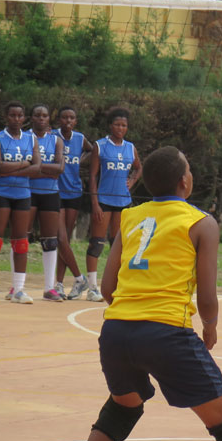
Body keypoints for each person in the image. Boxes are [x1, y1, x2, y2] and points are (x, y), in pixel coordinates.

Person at [76, 146, 222, 441]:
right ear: (184, 182)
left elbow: (108, 288)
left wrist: (132, 313)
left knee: (123, 407)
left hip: (116, 331)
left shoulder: (131, 216)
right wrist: (210, 326)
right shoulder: (201, 223)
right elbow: (206, 295)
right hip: (167, 333)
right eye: (187, 170)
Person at [84, 107, 142, 302]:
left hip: (123, 202)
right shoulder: (100, 146)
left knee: (117, 245)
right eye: (117, 124)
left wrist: (132, 180)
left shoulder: (130, 147)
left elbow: (139, 167)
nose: (120, 128)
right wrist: (95, 203)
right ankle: (92, 287)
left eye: (124, 125)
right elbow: (92, 175)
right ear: (110, 125)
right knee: (96, 244)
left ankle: (117, 286)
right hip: (104, 200)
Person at [0, 102, 40, 304]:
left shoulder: (31, 138)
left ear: (24, 118)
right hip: (2, 193)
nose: (17, 119)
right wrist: (23, 165)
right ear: (6, 117)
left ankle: (18, 290)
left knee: (21, 241)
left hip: (23, 193)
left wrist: (11, 169)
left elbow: (37, 168)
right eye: (13, 115)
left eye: (20, 115)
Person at [26, 104, 66, 302]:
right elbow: (27, 168)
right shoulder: (25, 138)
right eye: (37, 115)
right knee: (22, 237)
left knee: (50, 240)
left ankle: (49, 288)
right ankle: (16, 286)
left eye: (45, 115)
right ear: (31, 118)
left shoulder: (56, 140)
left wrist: (37, 167)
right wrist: (38, 169)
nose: (41, 118)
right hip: (27, 191)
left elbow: (59, 168)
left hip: (50, 192)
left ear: (49, 119)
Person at [53, 106, 93, 299]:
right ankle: (80, 278)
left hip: (74, 191)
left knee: (65, 240)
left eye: (72, 118)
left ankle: (59, 284)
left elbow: (92, 151)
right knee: (61, 239)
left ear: (75, 121)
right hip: (55, 191)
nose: (68, 121)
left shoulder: (79, 138)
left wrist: (80, 160)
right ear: (59, 119)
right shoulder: (53, 136)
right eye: (65, 117)